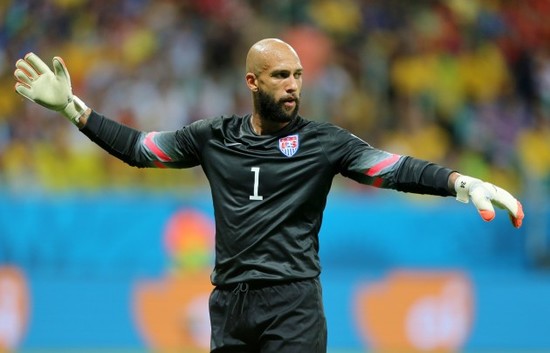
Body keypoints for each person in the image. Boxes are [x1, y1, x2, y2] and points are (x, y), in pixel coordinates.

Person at [13, 38, 524, 353]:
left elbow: (393, 169)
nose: (293, 86)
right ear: (253, 81)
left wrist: (461, 183)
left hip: (293, 303)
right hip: (230, 305)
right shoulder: (212, 136)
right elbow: (140, 149)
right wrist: (74, 112)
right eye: (281, 76)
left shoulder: (324, 143)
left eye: (298, 76)